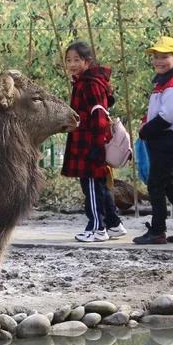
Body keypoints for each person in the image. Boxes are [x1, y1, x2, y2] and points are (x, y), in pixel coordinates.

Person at [133, 36, 173, 245]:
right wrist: (146, 123)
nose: (159, 61)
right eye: (156, 57)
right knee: (170, 185)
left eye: (165, 57)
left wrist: (145, 132)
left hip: (169, 139)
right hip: (165, 139)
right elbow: (155, 112)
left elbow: (166, 117)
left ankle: (158, 230)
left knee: (155, 184)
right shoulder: (163, 83)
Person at [61, 41, 125, 243]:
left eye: (77, 60)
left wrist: (97, 147)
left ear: (87, 62)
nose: (72, 64)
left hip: (89, 143)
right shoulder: (86, 82)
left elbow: (98, 117)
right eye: (68, 60)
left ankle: (97, 228)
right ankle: (114, 224)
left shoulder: (89, 84)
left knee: (90, 186)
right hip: (88, 142)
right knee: (99, 185)